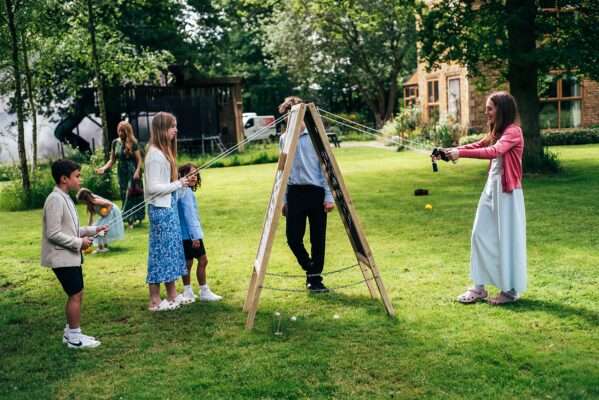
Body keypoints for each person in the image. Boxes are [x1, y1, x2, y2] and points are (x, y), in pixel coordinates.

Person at [436, 91, 527, 305]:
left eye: (490, 108)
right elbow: (479, 145)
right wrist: (449, 151)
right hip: (490, 189)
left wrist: (460, 154)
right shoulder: (498, 131)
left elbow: (493, 151)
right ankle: (478, 288)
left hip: (507, 194)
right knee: (478, 234)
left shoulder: (514, 132)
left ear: (501, 110)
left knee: (506, 239)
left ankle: (510, 291)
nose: (486, 112)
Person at [41, 159, 109, 349]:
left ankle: (71, 333)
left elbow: (71, 229)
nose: (80, 180)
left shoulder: (65, 197)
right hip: (61, 258)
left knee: (77, 293)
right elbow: (53, 234)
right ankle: (74, 338)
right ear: (64, 179)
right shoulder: (55, 199)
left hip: (68, 257)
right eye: (77, 176)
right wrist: (80, 243)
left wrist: (94, 230)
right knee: (75, 294)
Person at [278, 96, 335, 292]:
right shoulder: (284, 139)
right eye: (287, 116)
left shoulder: (315, 137)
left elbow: (326, 169)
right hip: (294, 193)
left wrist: (328, 197)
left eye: (293, 115)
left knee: (317, 239)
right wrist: (283, 200)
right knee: (293, 238)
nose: (289, 119)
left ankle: (314, 281)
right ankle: (310, 268)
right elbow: (283, 172)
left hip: (316, 192)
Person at [144, 112, 190, 311]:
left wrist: (182, 185)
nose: (176, 130)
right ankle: (154, 300)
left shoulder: (163, 152)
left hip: (167, 207)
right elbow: (153, 187)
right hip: (160, 210)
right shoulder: (154, 155)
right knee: (159, 254)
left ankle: (172, 295)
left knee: (171, 252)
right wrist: (178, 183)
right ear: (162, 129)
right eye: (172, 126)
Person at [176, 163, 222, 304]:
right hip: (191, 235)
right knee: (203, 260)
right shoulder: (186, 193)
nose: (194, 177)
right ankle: (204, 291)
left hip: (183, 234)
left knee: (188, 262)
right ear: (183, 176)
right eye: (190, 174)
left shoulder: (182, 191)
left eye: (196, 174)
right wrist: (195, 236)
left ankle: (188, 291)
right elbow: (190, 216)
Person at [96, 121, 145, 228]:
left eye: (123, 131)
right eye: (119, 130)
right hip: (121, 171)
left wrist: (137, 171)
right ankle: (129, 217)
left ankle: (127, 218)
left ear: (127, 131)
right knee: (123, 194)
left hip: (132, 171)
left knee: (130, 194)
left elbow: (139, 159)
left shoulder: (133, 142)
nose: (120, 133)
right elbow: (112, 160)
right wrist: (103, 169)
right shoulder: (115, 143)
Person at [76, 188, 125, 253]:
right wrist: (88, 228)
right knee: (97, 228)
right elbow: (91, 216)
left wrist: (107, 213)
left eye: (82, 201)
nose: (82, 203)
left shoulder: (95, 201)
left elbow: (109, 204)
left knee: (100, 229)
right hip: (107, 213)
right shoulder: (90, 204)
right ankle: (103, 246)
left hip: (112, 212)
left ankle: (102, 248)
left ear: (86, 199)